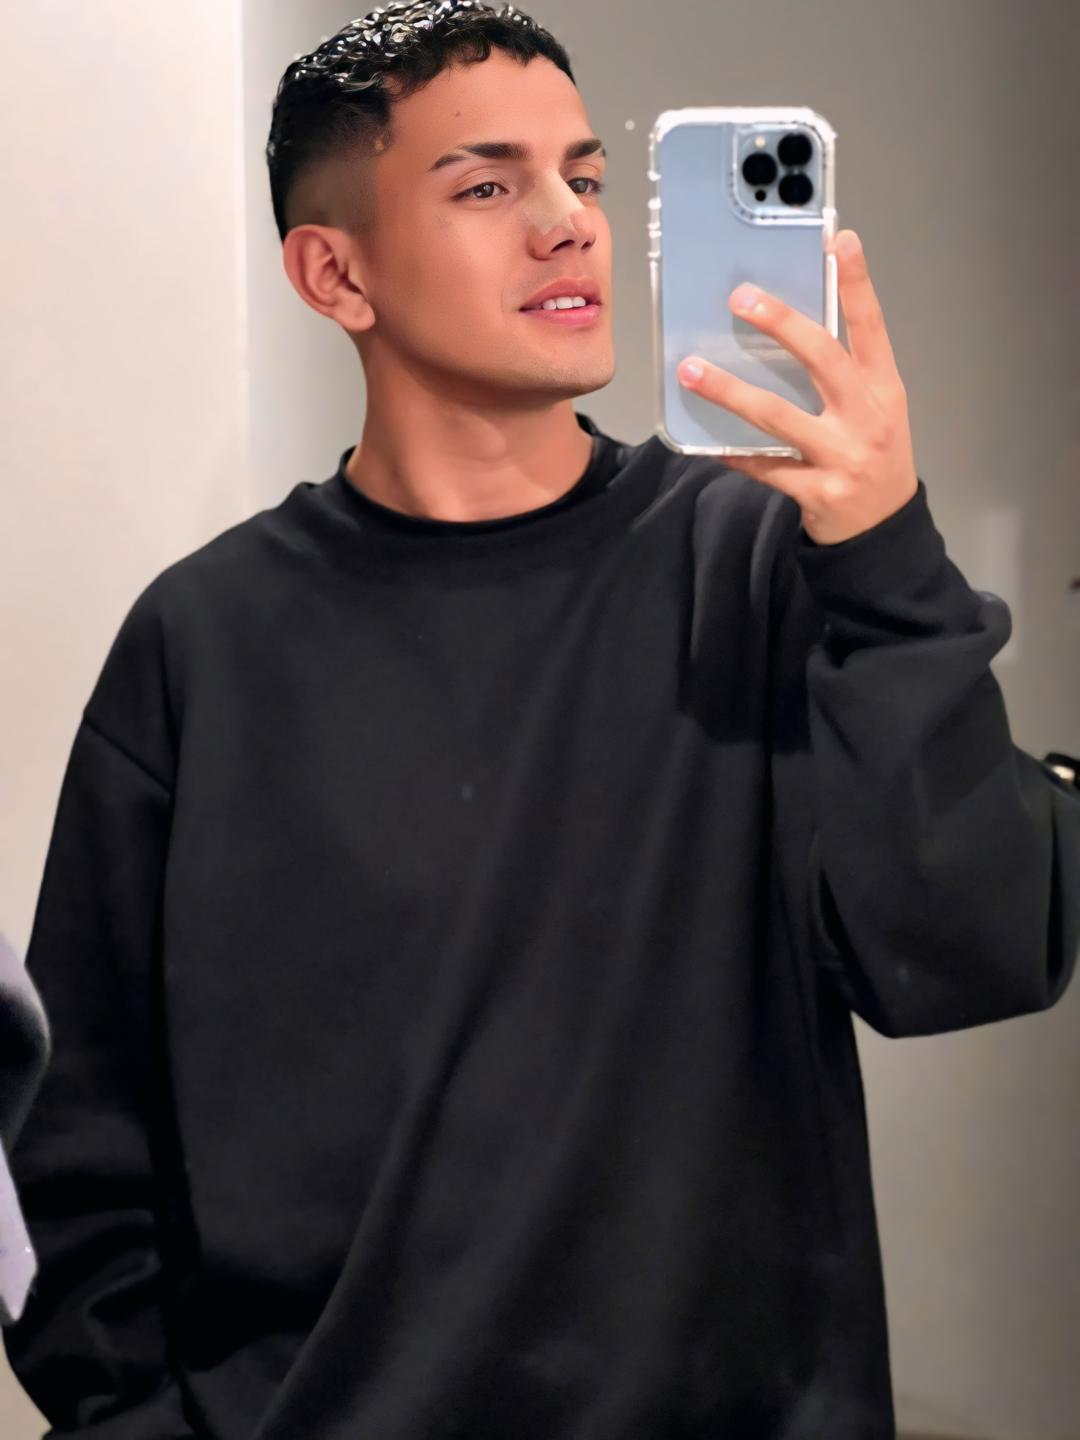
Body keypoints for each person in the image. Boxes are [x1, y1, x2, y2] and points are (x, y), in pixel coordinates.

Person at [5, 3, 1079, 1437]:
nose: (568, 222)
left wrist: (887, 559)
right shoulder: (204, 638)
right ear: (335, 272)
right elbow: (72, 1139)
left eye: (583, 175)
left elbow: (975, 952)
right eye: (486, 185)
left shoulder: (758, 565)